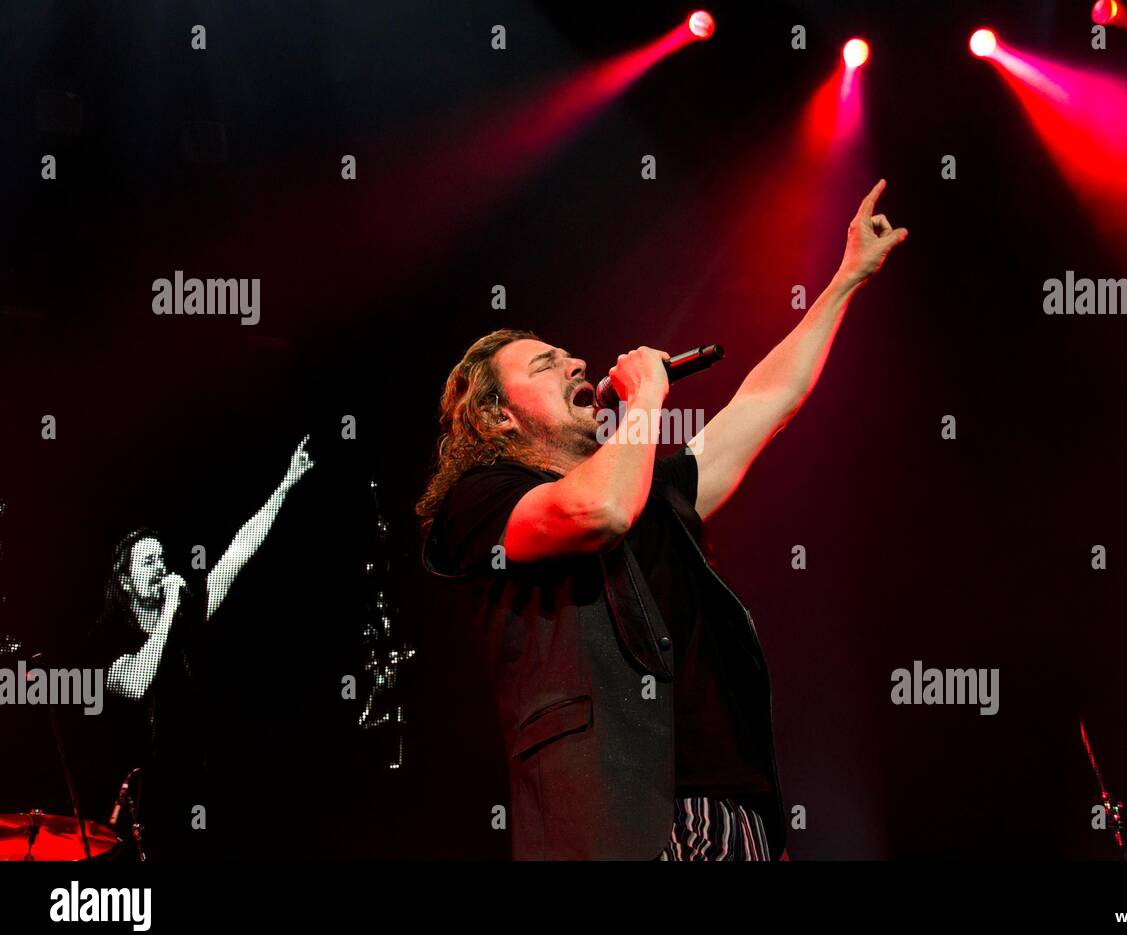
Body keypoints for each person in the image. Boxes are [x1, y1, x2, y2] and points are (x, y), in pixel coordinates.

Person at [418, 181, 907, 860]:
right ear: (500, 415)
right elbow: (599, 509)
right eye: (546, 363)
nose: (576, 363)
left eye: (568, 355)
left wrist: (845, 278)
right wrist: (646, 397)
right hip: (624, 817)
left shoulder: (646, 487)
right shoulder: (484, 497)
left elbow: (766, 401)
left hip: (733, 815)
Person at [83, 436, 315, 858]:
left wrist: (286, 484)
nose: (162, 566)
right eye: (148, 562)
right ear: (126, 581)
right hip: (138, 793)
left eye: (162, 558)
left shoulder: (185, 616)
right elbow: (136, 682)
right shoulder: (110, 636)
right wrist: (172, 605)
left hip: (199, 780)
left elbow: (236, 553)